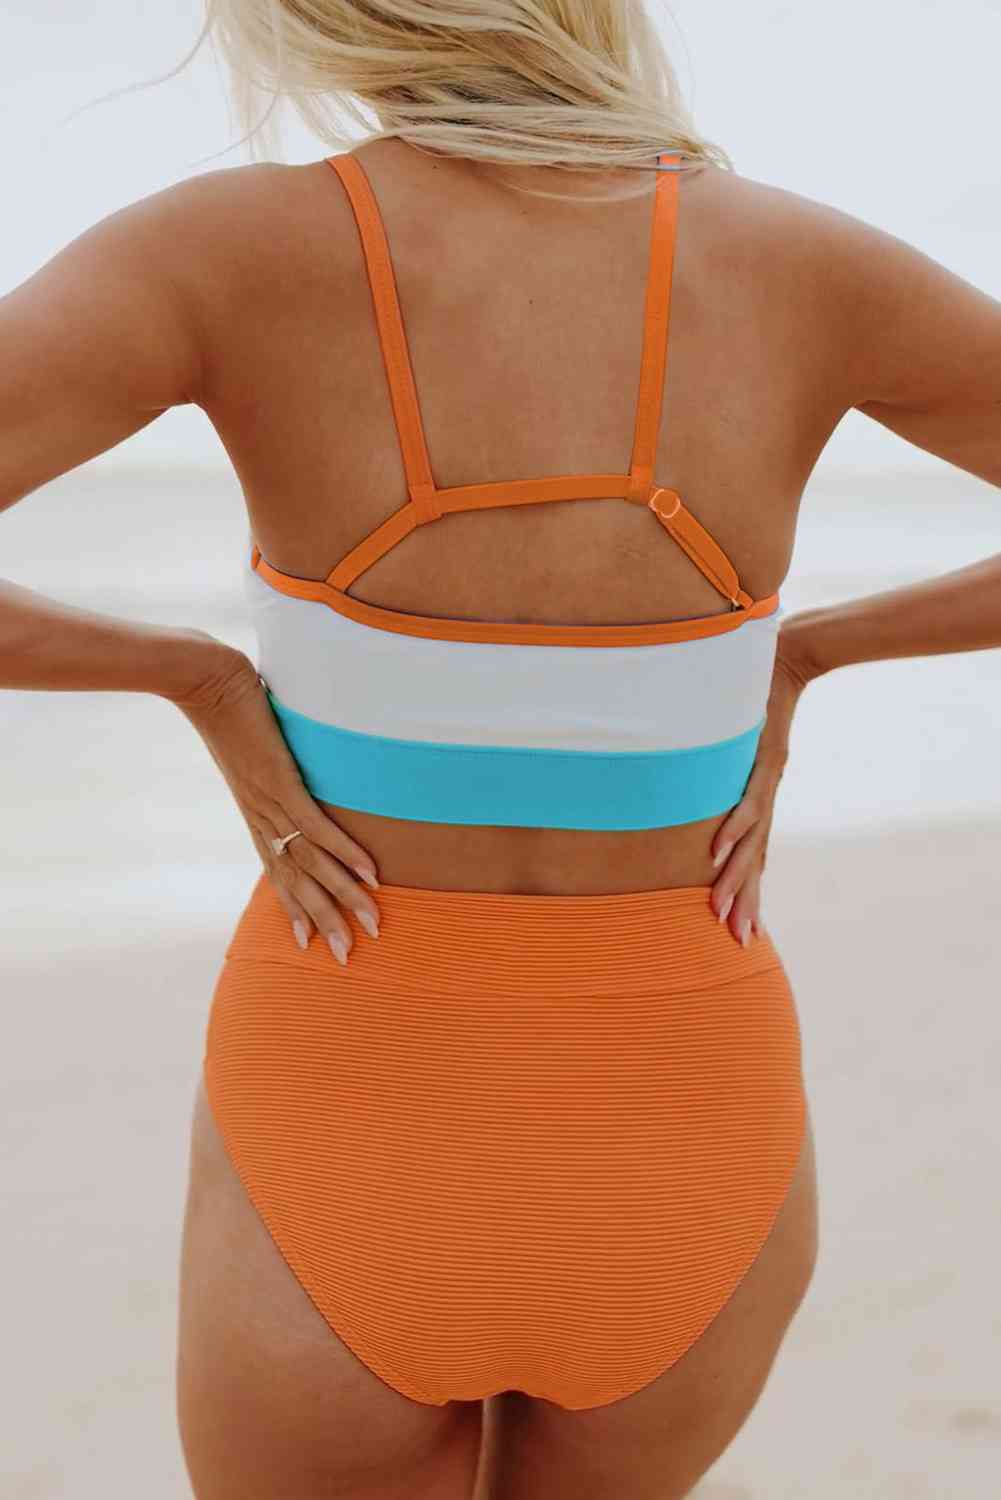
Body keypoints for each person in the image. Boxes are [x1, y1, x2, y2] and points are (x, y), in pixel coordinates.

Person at [3, 3, 999, 1497]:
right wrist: (805, 649)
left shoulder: (219, 251)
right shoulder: (807, 264)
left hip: (345, 1089)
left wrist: (192, 678)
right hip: (687, 1112)